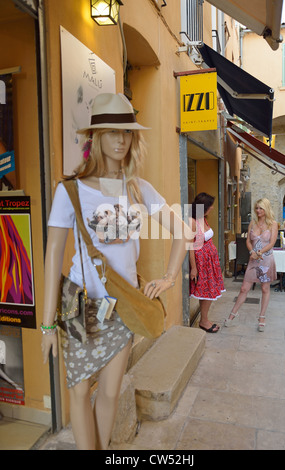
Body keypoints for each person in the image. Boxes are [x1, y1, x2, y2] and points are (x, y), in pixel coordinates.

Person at [40, 93, 192, 450]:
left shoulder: (138, 189)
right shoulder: (70, 192)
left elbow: (184, 232)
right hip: (79, 306)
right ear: (96, 137)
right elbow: (52, 255)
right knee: (78, 391)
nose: (121, 139)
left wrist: (169, 278)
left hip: (122, 308)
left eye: (127, 132)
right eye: (112, 131)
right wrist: (47, 324)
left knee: (109, 393)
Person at [224, 198, 278, 332]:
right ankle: (232, 315)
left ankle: (262, 317)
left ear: (266, 209)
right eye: (257, 208)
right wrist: (251, 251)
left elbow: (271, 243)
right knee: (244, 288)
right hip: (253, 259)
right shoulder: (252, 223)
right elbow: (248, 241)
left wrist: (259, 252)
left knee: (265, 288)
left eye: (261, 208)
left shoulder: (273, 224)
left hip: (266, 259)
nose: (258, 211)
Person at [189, 193, 225, 333]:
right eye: (210, 206)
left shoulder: (203, 218)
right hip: (202, 262)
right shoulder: (192, 221)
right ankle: (204, 321)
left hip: (210, 261)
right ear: (204, 207)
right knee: (206, 291)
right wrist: (194, 268)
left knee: (210, 291)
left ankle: (204, 318)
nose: (212, 208)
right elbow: (191, 246)